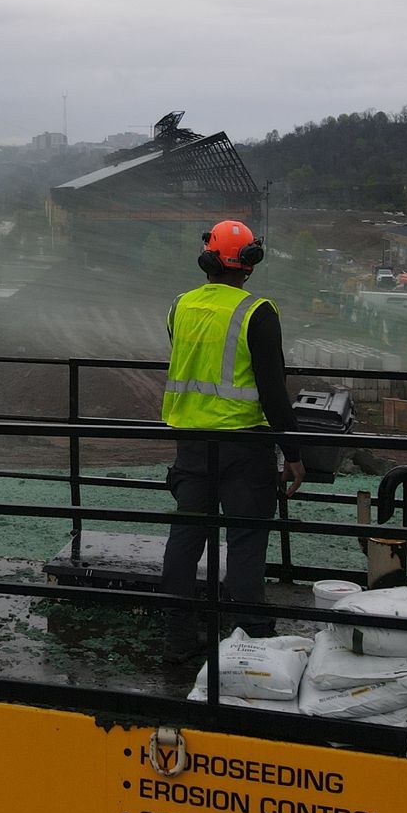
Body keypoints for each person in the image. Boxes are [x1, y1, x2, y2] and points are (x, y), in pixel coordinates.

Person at [160, 219, 305, 665]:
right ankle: (250, 636)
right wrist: (293, 452)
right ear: (249, 263)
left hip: (191, 444)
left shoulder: (180, 306)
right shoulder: (257, 312)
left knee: (187, 537)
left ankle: (178, 637)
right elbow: (273, 390)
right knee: (246, 538)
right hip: (244, 445)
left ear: (207, 260)